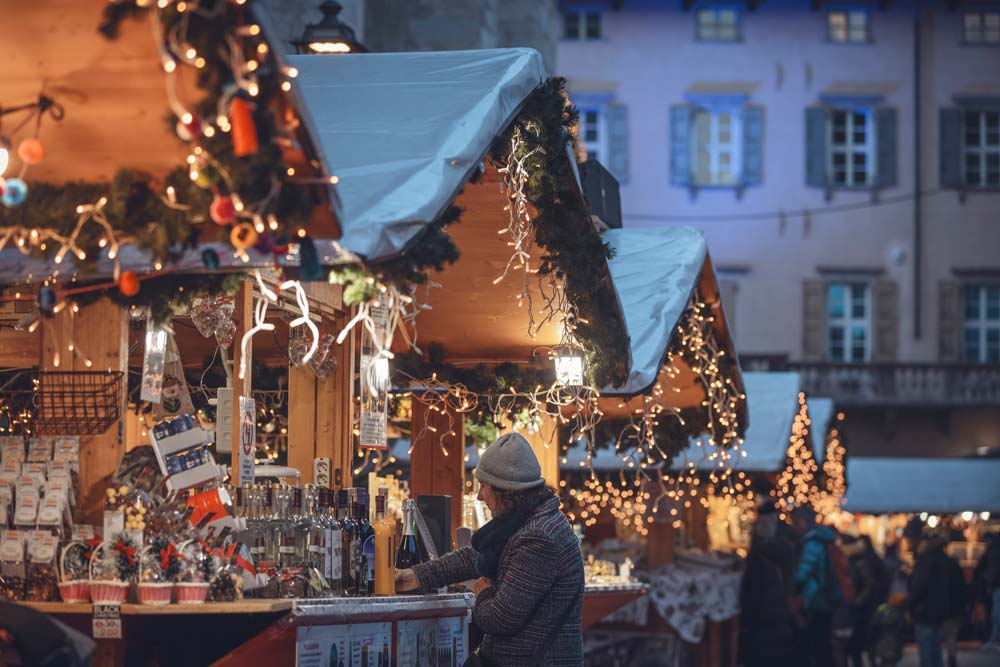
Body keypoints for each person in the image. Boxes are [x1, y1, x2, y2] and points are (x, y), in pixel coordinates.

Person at [395, 432, 584, 666]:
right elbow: (473, 557)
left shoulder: (539, 536)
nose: (479, 496)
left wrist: (482, 592)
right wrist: (416, 575)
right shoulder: (522, 520)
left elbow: (500, 619)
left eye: (484, 486)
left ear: (506, 491)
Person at [739, 502, 797, 667]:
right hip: (780, 616)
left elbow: (751, 591)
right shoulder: (786, 545)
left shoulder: (761, 551)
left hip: (763, 617)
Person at [792, 506, 842, 667]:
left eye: (797, 522)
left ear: (804, 522)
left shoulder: (812, 543)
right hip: (825, 597)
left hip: (817, 599)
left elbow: (804, 571)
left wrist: (790, 583)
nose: (795, 526)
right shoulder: (823, 540)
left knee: (818, 643)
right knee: (822, 642)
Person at [908, 526, 952, 667]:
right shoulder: (941, 558)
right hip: (937, 611)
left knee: (927, 651)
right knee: (935, 649)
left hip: (925, 611)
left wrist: (911, 606)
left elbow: (918, 586)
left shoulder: (925, 559)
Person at [941, 546, 967, 667]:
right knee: (952, 635)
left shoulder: (945, 575)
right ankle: (951, 656)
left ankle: (951, 657)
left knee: (949, 635)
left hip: (948, 608)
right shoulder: (958, 576)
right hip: (957, 608)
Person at [868, 592, 909, 667]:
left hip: (881, 643)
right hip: (893, 645)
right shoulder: (900, 615)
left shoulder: (882, 609)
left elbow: (873, 623)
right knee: (889, 663)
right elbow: (905, 630)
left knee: (885, 662)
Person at [976, 534, 1000, 652]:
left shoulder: (992, 552)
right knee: (995, 614)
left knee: (995, 615)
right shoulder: (994, 551)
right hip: (994, 587)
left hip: (993, 587)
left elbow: (982, 567)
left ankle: (992, 640)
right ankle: (993, 639)